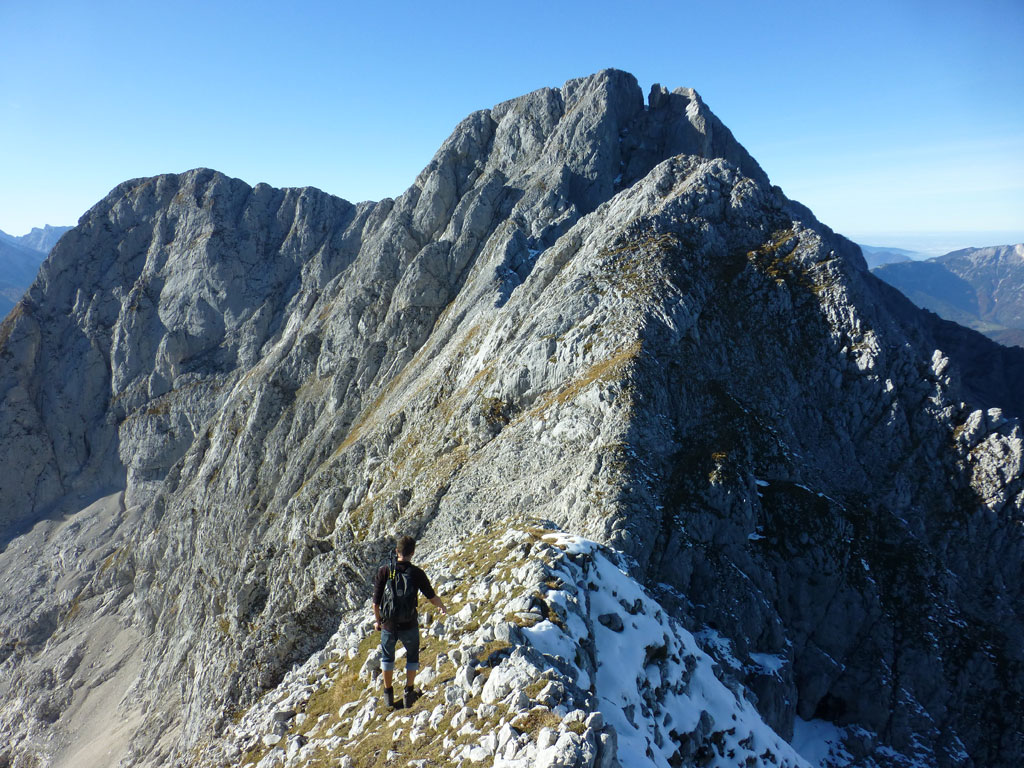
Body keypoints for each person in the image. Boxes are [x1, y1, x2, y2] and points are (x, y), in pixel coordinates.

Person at [372, 535, 448, 708]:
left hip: (389, 624)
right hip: (409, 623)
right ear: (412, 553)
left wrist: (378, 622)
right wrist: (442, 607)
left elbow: (375, 604)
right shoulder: (416, 573)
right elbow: (431, 596)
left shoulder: (385, 571)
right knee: (412, 656)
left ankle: (388, 694)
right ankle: (408, 692)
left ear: (397, 551)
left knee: (387, 657)